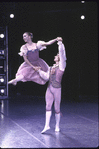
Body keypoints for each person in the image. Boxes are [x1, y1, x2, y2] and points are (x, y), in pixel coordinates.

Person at [37, 39, 67, 133]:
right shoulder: (50, 68)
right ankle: (47, 126)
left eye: (56, 55)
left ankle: (57, 126)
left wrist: (60, 43)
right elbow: (46, 77)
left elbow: (62, 54)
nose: (55, 56)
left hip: (57, 89)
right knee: (48, 106)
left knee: (57, 108)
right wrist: (39, 71)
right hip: (49, 88)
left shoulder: (62, 66)